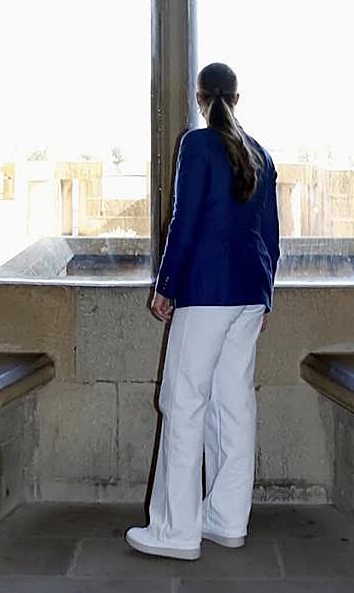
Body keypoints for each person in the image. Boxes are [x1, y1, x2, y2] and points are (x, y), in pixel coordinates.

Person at [125, 61, 280, 561]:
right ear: (236, 98)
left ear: (200, 99)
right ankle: (228, 519)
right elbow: (271, 237)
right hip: (250, 293)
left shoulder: (196, 145)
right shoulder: (261, 155)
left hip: (207, 291)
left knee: (183, 401)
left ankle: (175, 530)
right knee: (234, 404)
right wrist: (266, 294)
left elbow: (183, 221)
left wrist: (166, 284)